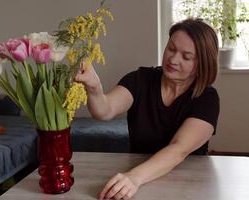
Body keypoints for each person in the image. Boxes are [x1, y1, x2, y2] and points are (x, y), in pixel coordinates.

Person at [75, 18, 220, 200]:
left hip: (187, 181)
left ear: (202, 65)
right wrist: (94, 87)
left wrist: (134, 178)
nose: (173, 59)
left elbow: (179, 149)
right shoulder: (140, 79)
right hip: (140, 179)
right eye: (171, 49)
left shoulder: (207, 98)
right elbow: (105, 110)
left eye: (186, 57)